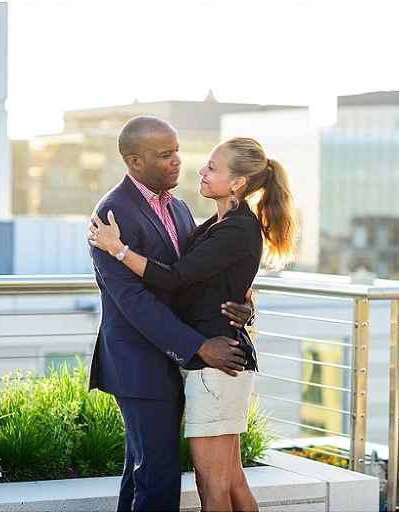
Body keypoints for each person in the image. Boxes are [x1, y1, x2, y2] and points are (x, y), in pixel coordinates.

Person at [89, 135, 300, 511]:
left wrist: (120, 250)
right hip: (163, 359)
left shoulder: (218, 221)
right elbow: (164, 292)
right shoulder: (120, 213)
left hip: (215, 361)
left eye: (211, 167)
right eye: (166, 154)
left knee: (212, 484)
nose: (185, 164)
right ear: (135, 161)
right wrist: (239, 306)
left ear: (237, 182)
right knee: (215, 479)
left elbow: (177, 277)